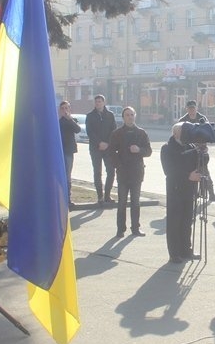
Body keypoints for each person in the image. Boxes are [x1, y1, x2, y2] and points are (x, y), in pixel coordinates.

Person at [160, 123, 201, 264]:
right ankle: (174, 253)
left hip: (189, 189)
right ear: (176, 133)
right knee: (174, 222)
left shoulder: (191, 146)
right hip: (175, 189)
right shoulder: (167, 148)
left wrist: (203, 151)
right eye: (184, 131)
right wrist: (188, 176)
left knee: (187, 220)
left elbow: (199, 164)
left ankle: (186, 250)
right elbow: (169, 170)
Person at [108, 107, 152, 237]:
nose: (130, 117)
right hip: (123, 172)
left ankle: (135, 228)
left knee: (135, 202)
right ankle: (120, 229)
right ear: (123, 117)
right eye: (127, 115)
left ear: (135, 116)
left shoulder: (141, 133)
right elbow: (111, 152)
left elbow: (148, 151)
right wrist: (118, 165)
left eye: (132, 114)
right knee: (122, 202)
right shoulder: (117, 133)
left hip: (137, 172)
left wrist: (139, 150)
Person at [178, 100, 215, 201]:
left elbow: (208, 132)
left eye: (193, 108)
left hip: (201, 149)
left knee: (205, 172)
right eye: (190, 108)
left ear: (196, 108)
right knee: (191, 172)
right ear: (187, 109)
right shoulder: (182, 120)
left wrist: (204, 146)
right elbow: (180, 136)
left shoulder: (202, 118)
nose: (192, 110)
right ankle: (193, 194)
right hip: (188, 151)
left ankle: (211, 194)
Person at [85, 94, 117, 204]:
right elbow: (89, 132)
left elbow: (113, 130)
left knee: (111, 171)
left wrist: (107, 143)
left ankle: (107, 195)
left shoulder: (110, 115)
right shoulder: (90, 116)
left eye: (100, 101)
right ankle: (100, 196)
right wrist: (99, 143)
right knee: (97, 172)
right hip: (95, 148)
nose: (98, 103)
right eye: (96, 101)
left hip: (108, 148)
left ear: (104, 102)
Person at [58, 101, 81, 206]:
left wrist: (69, 119)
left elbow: (77, 129)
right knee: (60, 175)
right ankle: (60, 198)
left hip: (68, 152)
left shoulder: (72, 121)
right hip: (59, 151)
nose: (64, 110)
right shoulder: (58, 122)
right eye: (62, 108)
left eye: (66, 108)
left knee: (68, 175)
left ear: (69, 109)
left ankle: (68, 199)